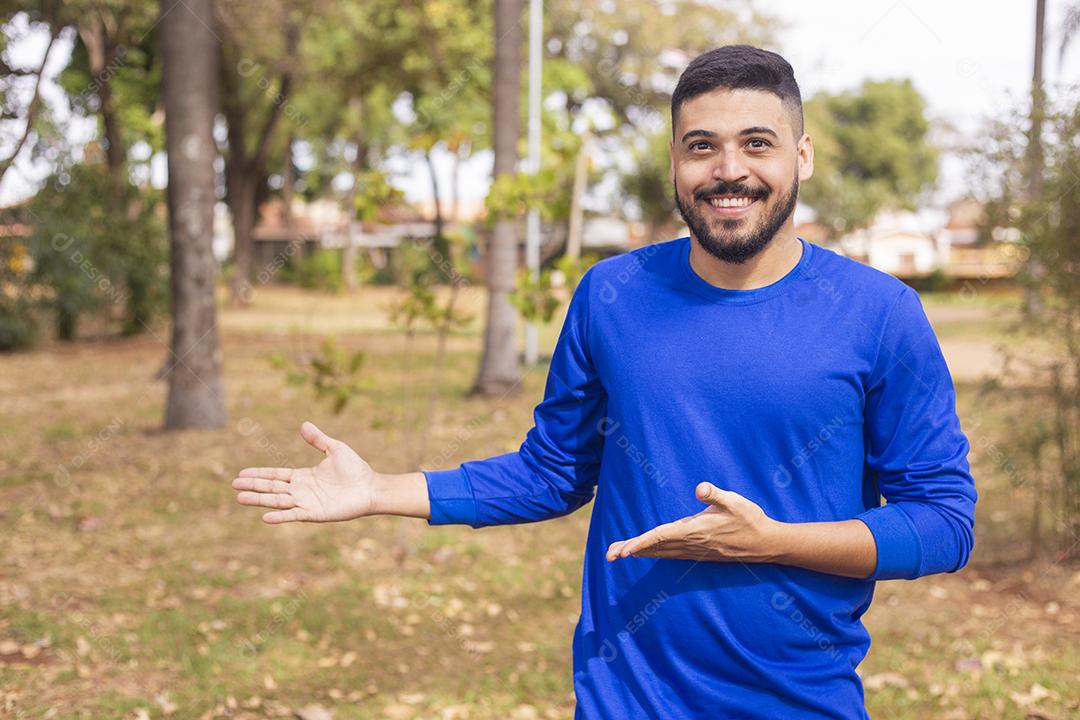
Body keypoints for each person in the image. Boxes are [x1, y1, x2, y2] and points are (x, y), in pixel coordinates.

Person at [232, 45, 977, 720]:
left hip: (800, 700)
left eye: (757, 143)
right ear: (675, 163)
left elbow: (944, 524)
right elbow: (553, 472)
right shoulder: (611, 294)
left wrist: (774, 542)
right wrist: (379, 491)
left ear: (802, 155)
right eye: (701, 147)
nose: (728, 170)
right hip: (626, 698)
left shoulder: (881, 315)